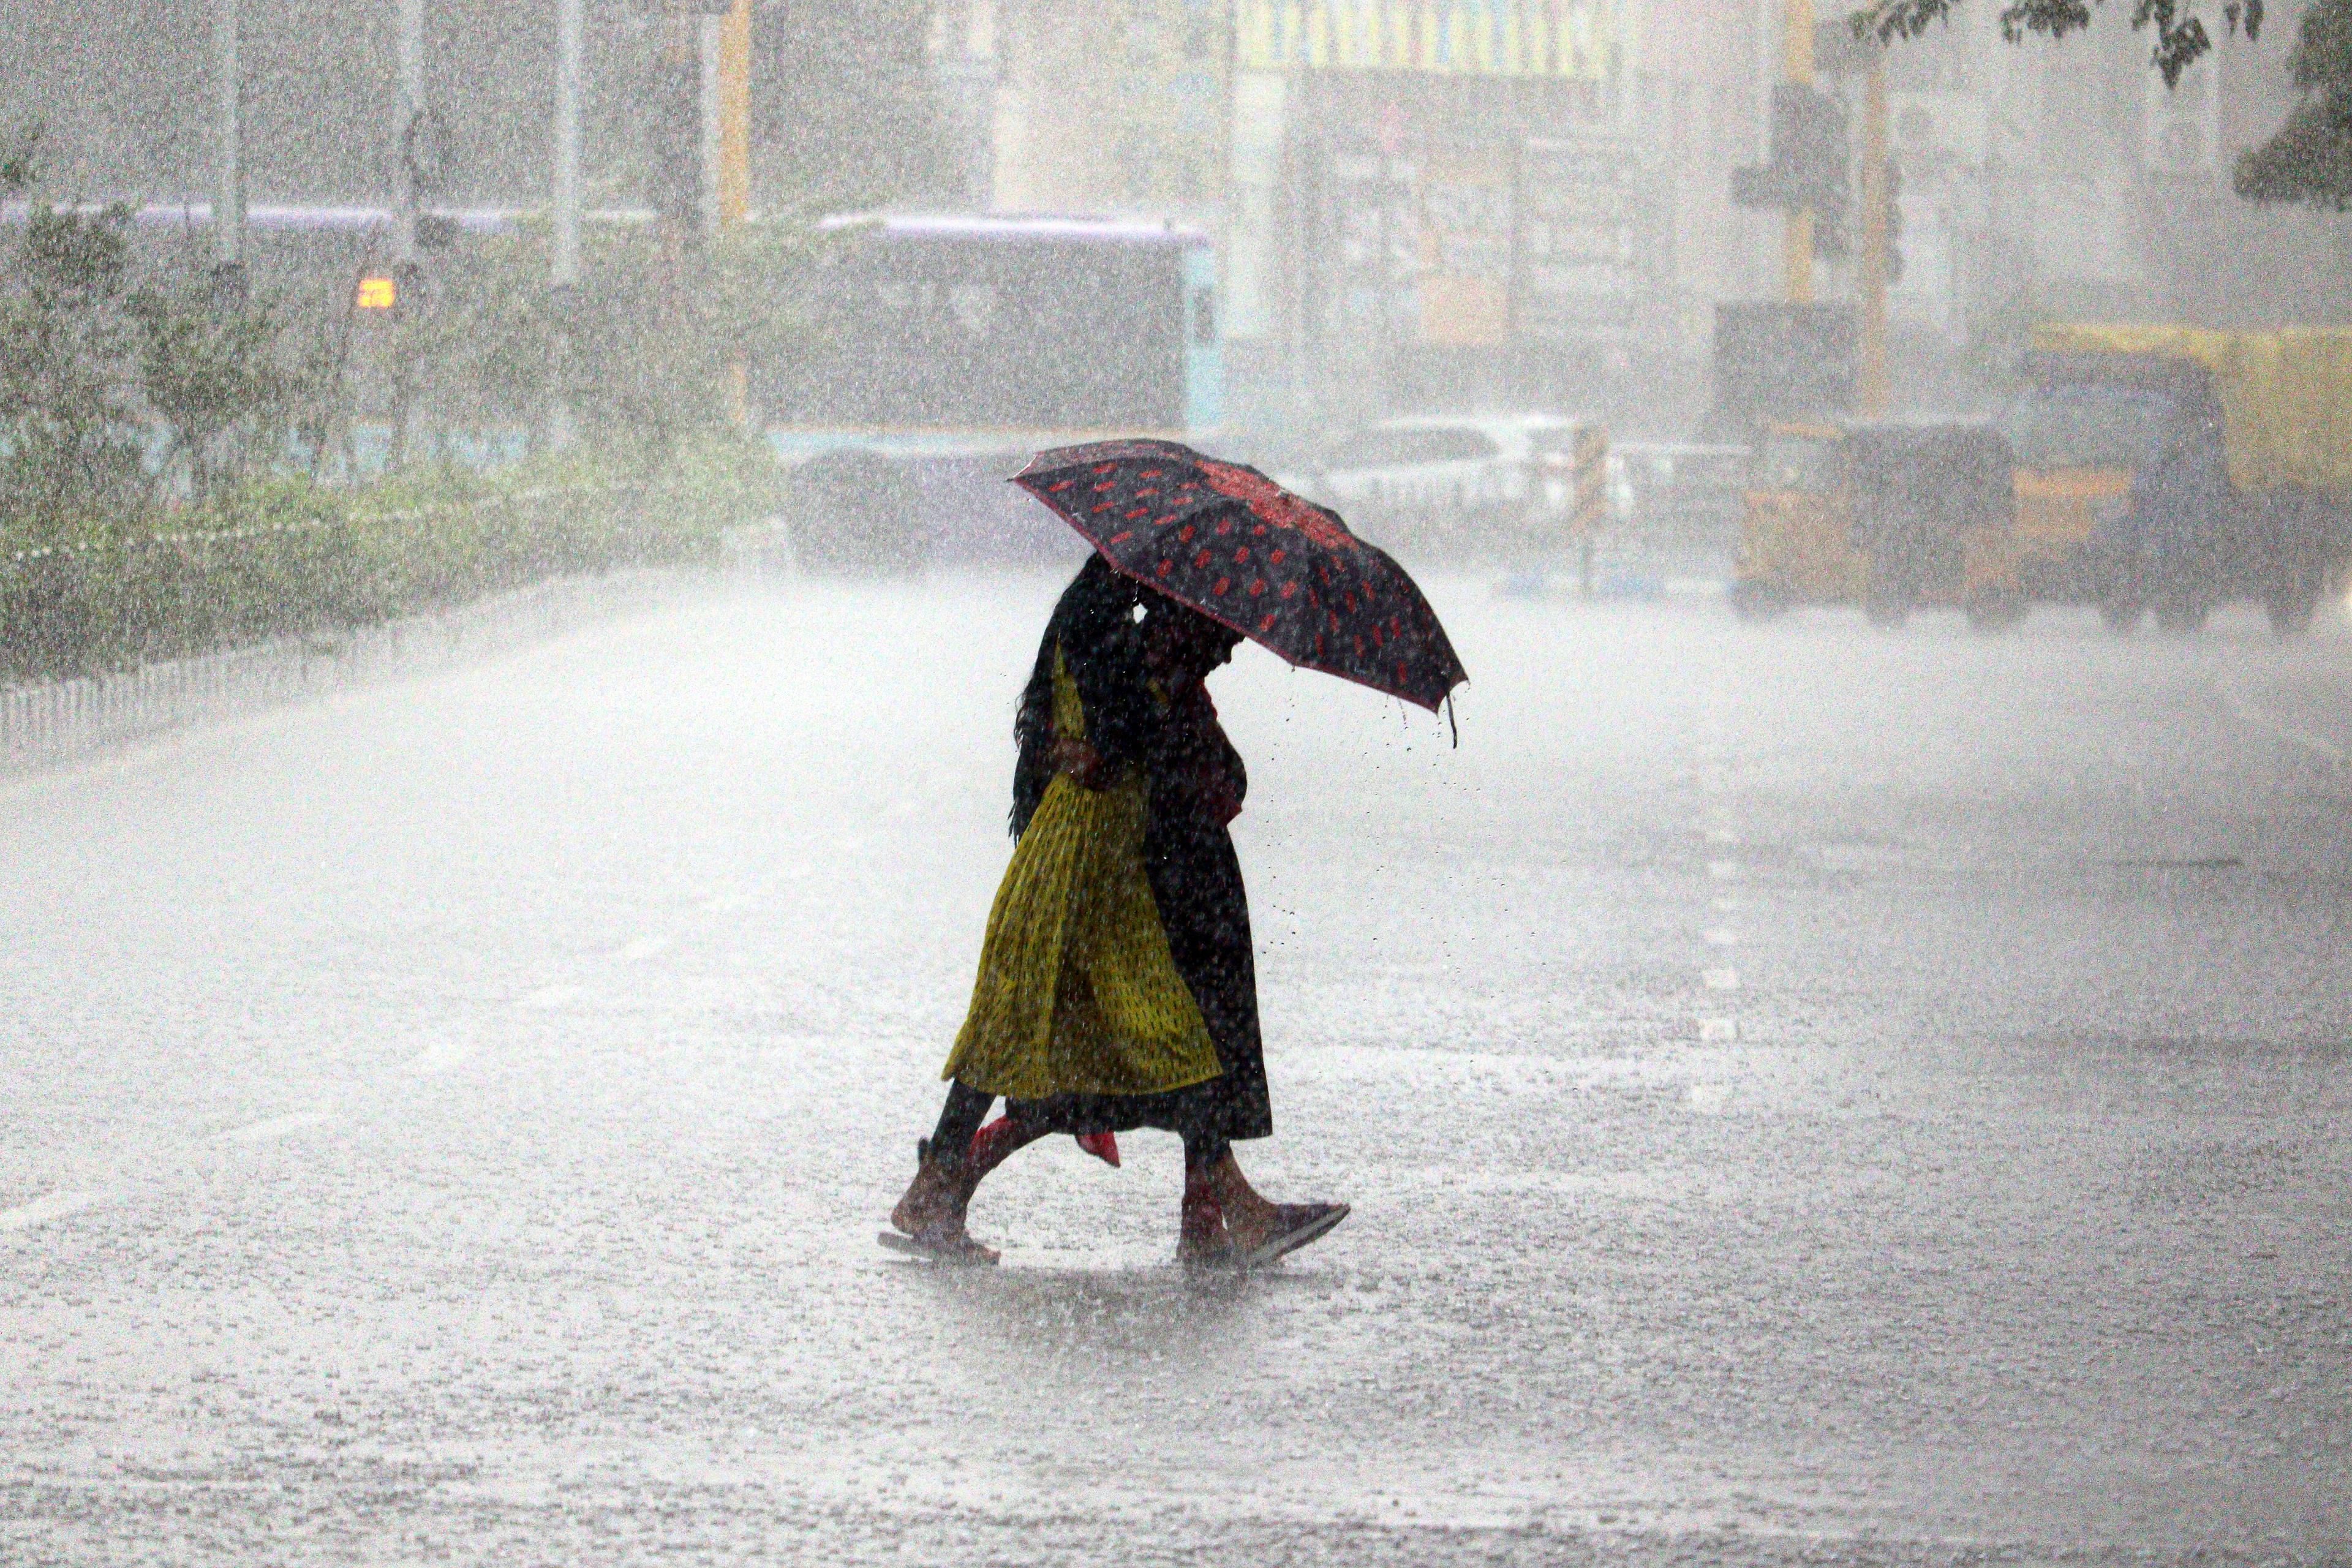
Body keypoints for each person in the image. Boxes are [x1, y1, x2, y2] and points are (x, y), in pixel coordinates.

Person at [889, 555, 1347, 1267]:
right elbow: (1112, 751)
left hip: (1096, 866)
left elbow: (1088, 745)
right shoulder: (1103, 632)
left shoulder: (1093, 623)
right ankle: (1234, 1208)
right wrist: (1156, 698)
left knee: (1020, 1033)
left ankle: (938, 1187)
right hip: (1080, 868)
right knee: (1141, 1035)